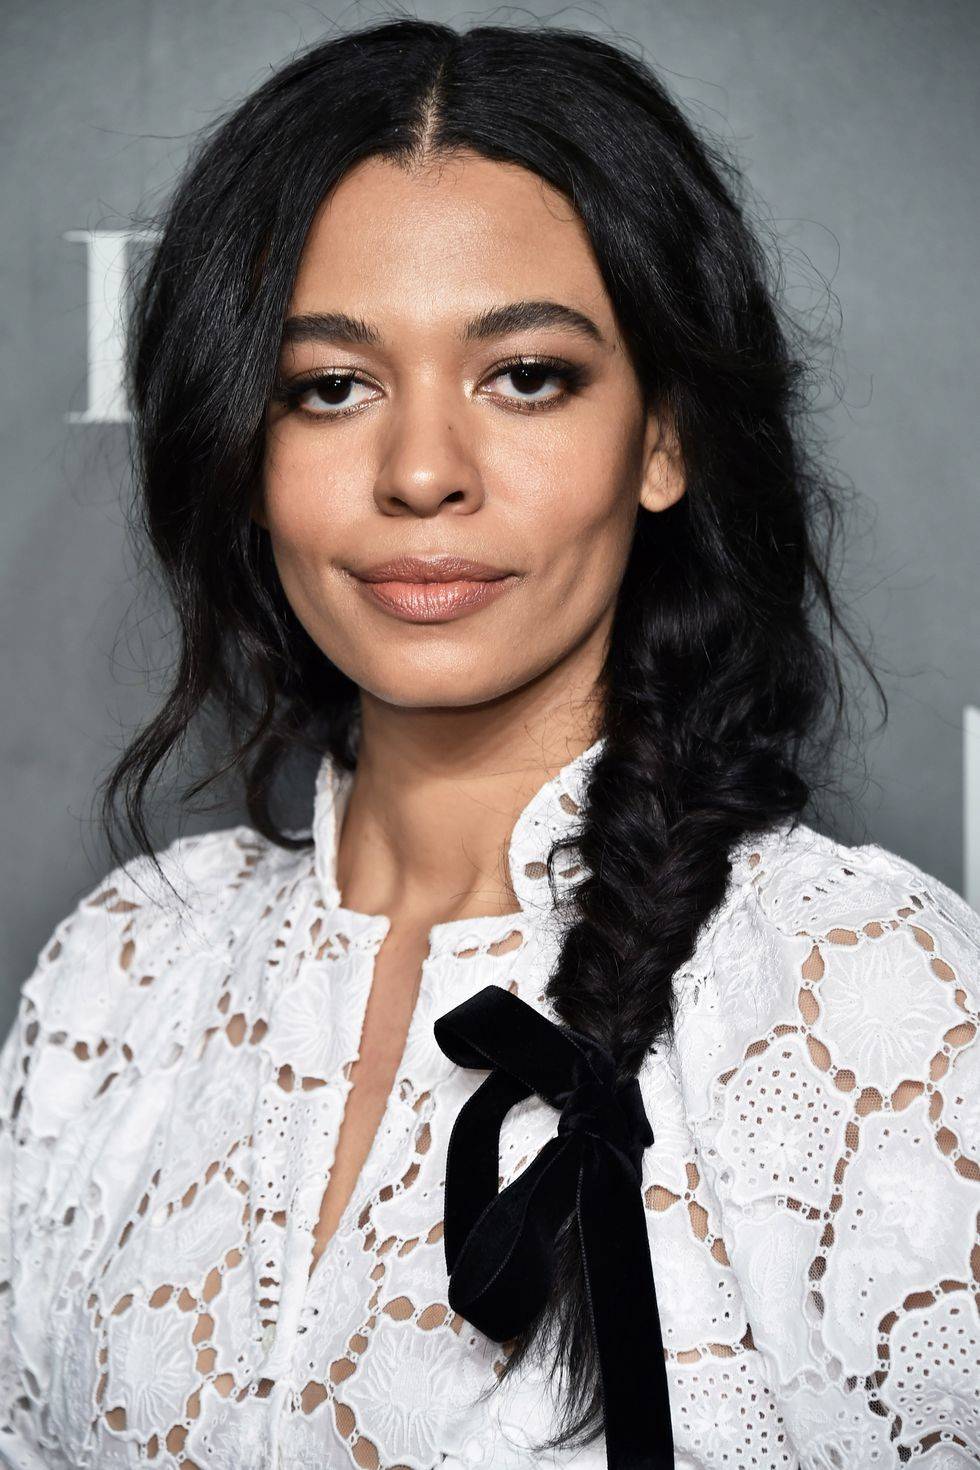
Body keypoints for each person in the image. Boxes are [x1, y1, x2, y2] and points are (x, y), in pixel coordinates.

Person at [1, 16, 978, 1470]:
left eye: (525, 375)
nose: (420, 473)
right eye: (331, 385)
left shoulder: (867, 997)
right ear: (244, 451)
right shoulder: (122, 971)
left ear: (662, 438)